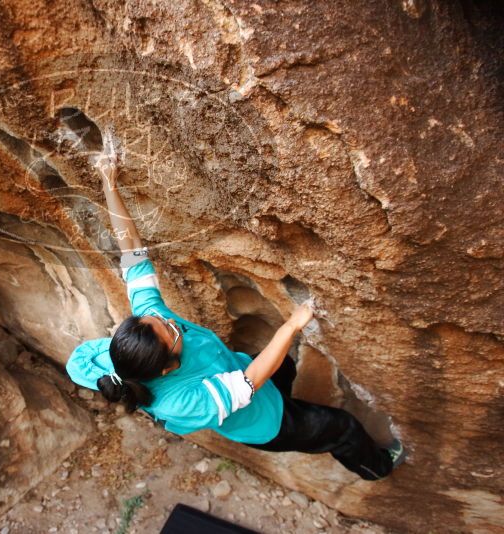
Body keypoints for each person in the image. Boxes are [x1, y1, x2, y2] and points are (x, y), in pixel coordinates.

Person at [65, 129, 406, 481]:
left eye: (156, 319)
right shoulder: (180, 402)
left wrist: (109, 182)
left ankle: (287, 392)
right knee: (342, 428)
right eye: (170, 330)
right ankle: (377, 467)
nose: (168, 320)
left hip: (241, 372)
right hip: (264, 422)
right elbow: (250, 380)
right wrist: (291, 325)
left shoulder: (142, 337)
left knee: (284, 367)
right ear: (167, 368)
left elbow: (132, 253)